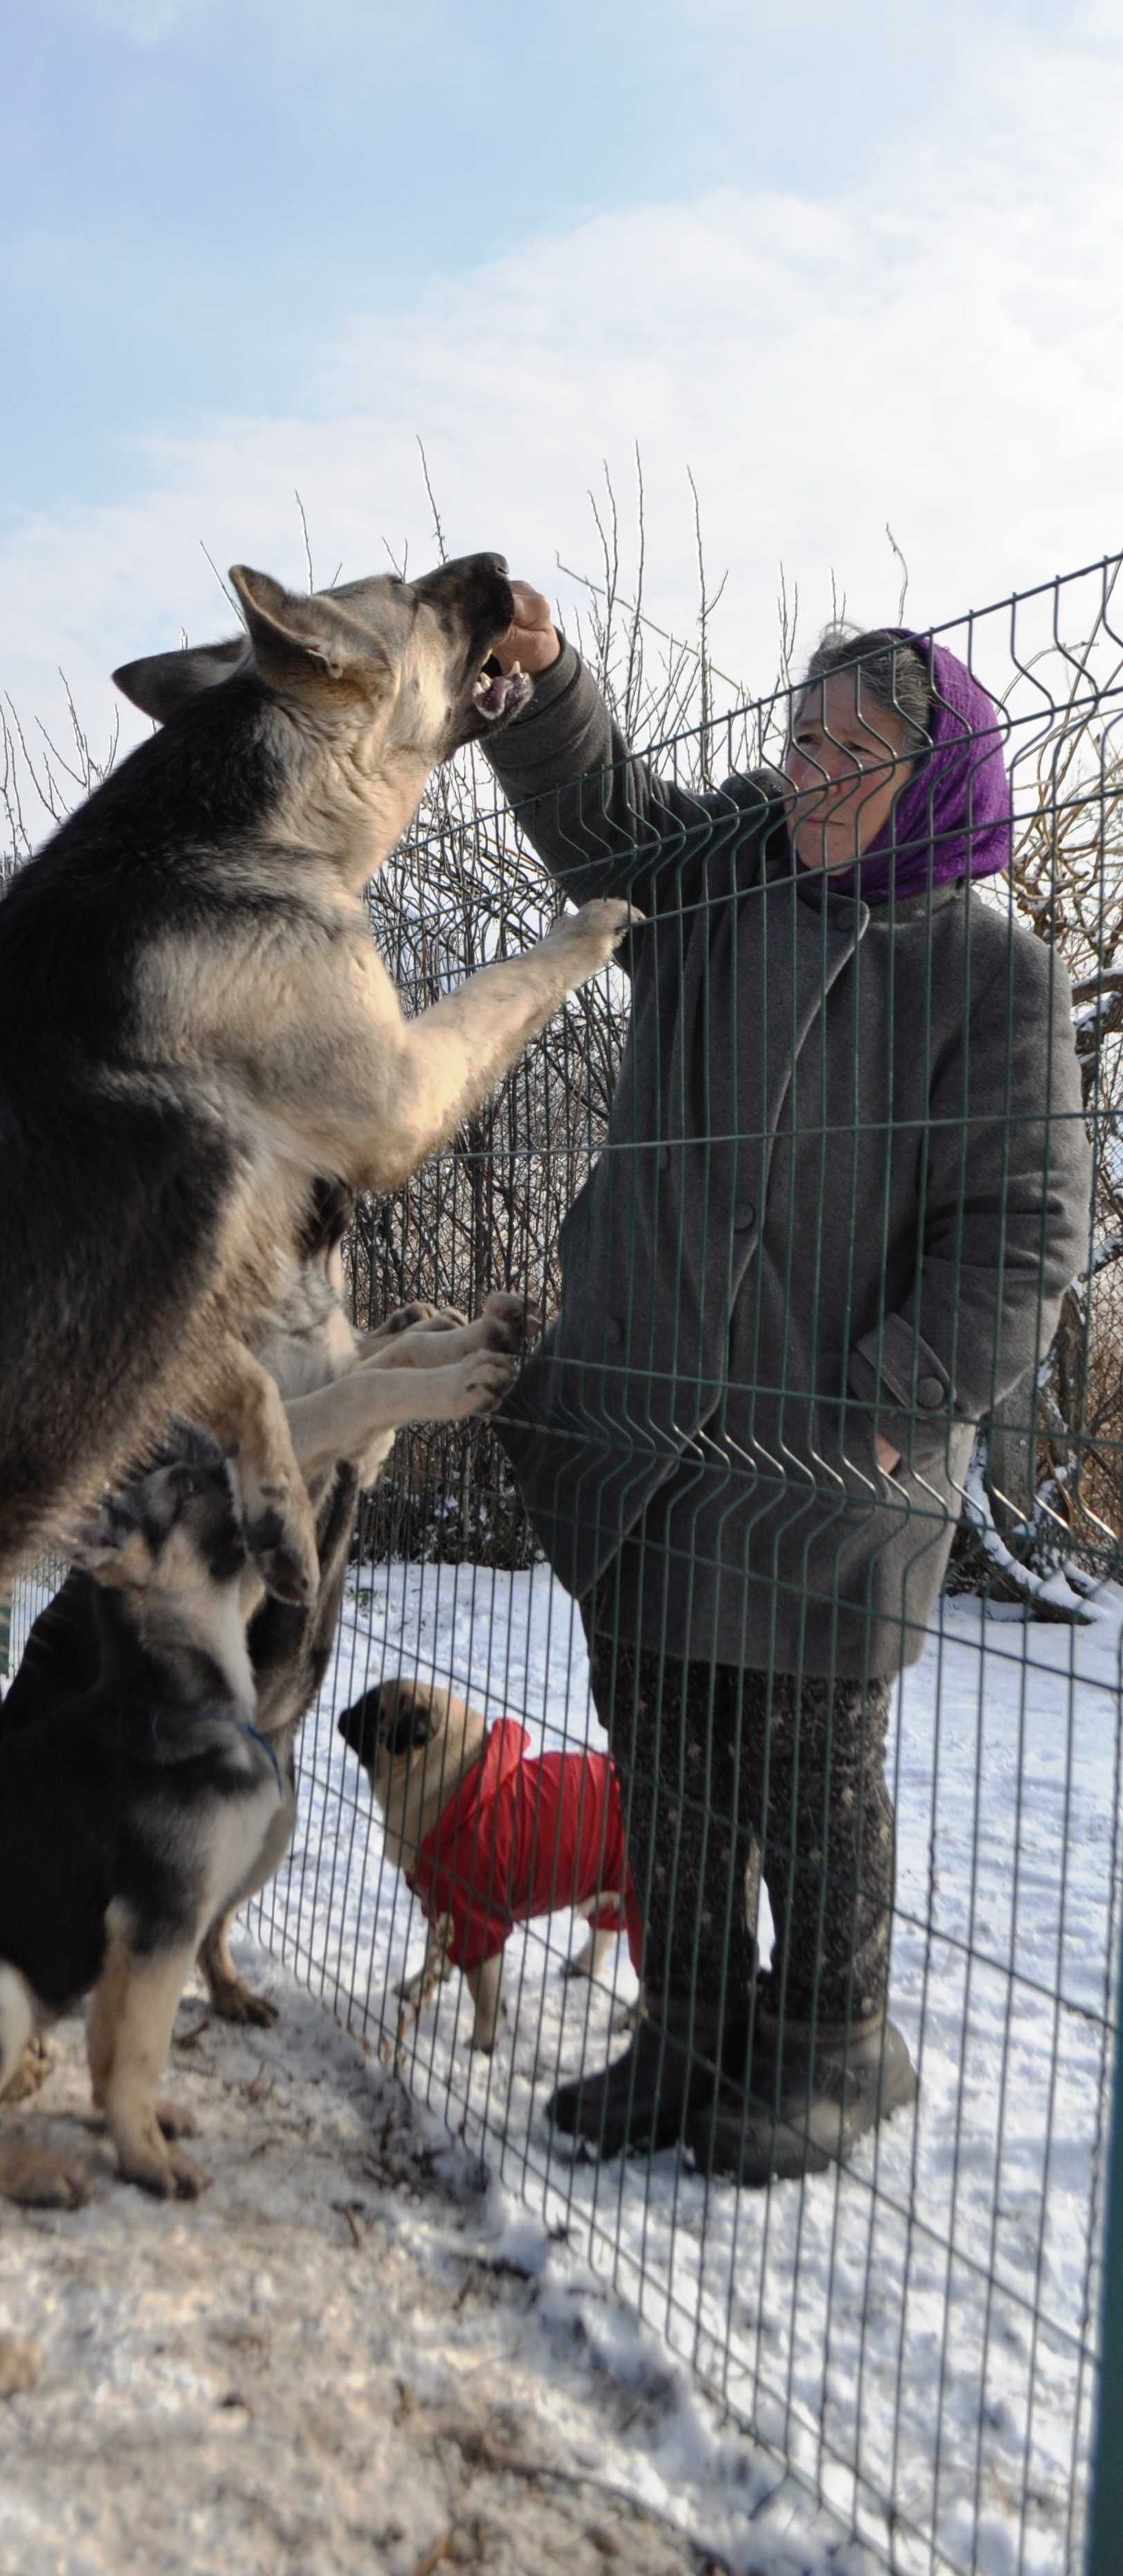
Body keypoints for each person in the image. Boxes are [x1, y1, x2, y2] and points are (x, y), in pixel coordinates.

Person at [480, 584, 1089, 2185]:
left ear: (935, 774)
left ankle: (832, 2040)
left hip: (830, 1456)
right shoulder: (721, 887)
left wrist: (899, 1391)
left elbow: (1024, 1228)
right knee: (663, 1752)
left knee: (804, 1770)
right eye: (801, 737)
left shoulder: (991, 980)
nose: (813, 771)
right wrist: (543, 685)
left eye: (857, 749)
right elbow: (607, 824)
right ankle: (682, 2023)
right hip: (641, 1430)